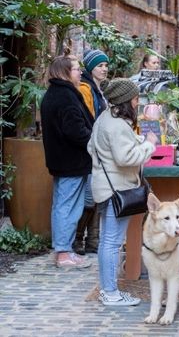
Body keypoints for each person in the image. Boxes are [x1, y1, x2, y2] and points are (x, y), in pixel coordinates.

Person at [88, 78, 157, 306]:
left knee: (108, 241)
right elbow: (126, 158)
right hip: (117, 189)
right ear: (126, 100)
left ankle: (109, 290)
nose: (138, 102)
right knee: (111, 242)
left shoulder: (106, 118)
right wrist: (148, 144)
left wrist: (134, 141)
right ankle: (110, 292)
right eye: (136, 98)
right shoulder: (116, 124)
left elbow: (93, 147)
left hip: (107, 187)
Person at [41, 53, 94, 269]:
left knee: (64, 205)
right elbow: (75, 131)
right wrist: (94, 141)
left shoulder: (56, 93)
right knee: (67, 206)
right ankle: (63, 253)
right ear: (64, 72)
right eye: (75, 68)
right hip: (71, 160)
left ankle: (64, 250)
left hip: (64, 159)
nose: (79, 72)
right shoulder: (65, 96)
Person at [72, 49, 109, 255]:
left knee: (96, 194)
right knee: (89, 195)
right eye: (99, 65)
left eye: (105, 66)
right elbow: (89, 118)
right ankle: (79, 238)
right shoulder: (87, 89)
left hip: (98, 146)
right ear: (89, 67)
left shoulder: (98, 88)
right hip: (90, 147)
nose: (104, 69)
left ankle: (93, 239)